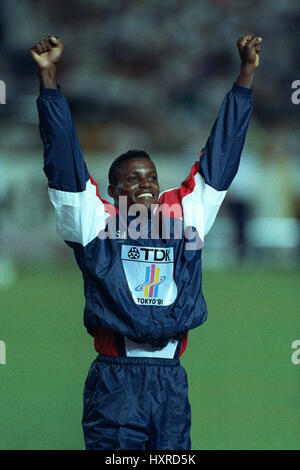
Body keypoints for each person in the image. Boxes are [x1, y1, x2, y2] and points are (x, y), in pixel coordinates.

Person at [30, 33, 262, 450]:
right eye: (133, 179)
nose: (146, 185)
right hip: (116, 384)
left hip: (171, 383)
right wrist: (48, 80)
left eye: (151, 177)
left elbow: (221, 157)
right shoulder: (96, 221)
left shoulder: (184, 216)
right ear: (113, 189)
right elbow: (64, 161)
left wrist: (245, 77)